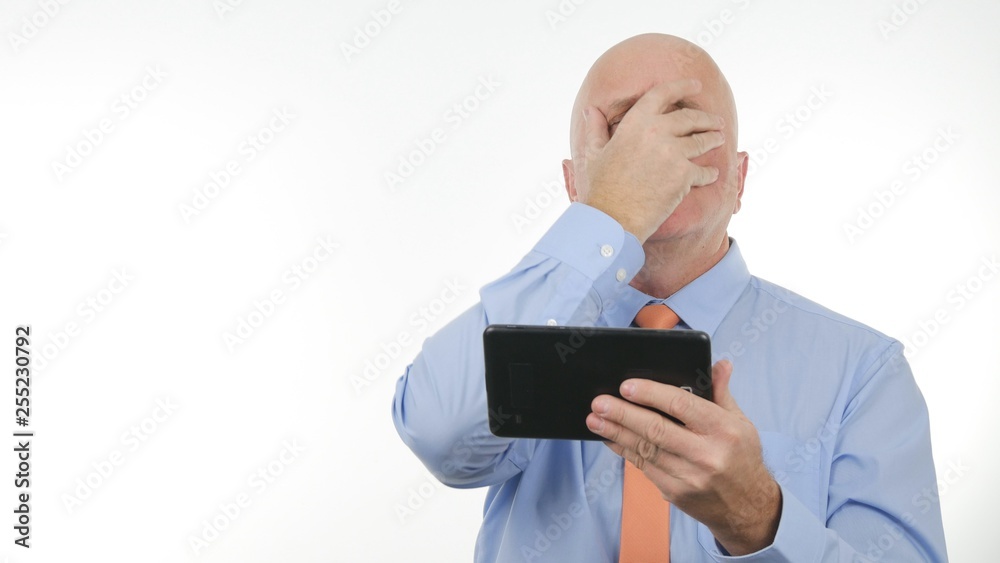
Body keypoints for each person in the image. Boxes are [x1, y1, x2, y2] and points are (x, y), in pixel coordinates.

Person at [391, 33, 948, 562]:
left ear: (739, 178)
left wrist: (757, 517)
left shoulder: (864, 372)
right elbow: (440, 435)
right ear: (572, 184)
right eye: (622, 130)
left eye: (688, 125)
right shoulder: (525, 326)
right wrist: (610, 213)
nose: (656, 151)